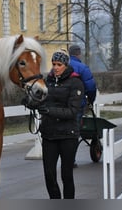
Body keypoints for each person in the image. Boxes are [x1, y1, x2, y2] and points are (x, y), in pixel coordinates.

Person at [36, 49, 84, 199]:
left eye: (59, 64)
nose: (55, 67)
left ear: (65, 65)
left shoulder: (76, 83)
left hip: (68, 135)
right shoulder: (47, 81)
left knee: (66, 175)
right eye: (54, 64)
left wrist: (49, 111)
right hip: (49, 135)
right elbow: (39, 98)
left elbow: (72, 111)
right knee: (49, 175)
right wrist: (31, 102)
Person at [69, 44, 97, 168]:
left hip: (61, 105)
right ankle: (71, 159)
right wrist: (91, 101)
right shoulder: (82, 68)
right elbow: (90, 87)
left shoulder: (60, 66)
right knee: (74, 131)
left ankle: (65, 158)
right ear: (78, 54)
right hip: (77, 105)